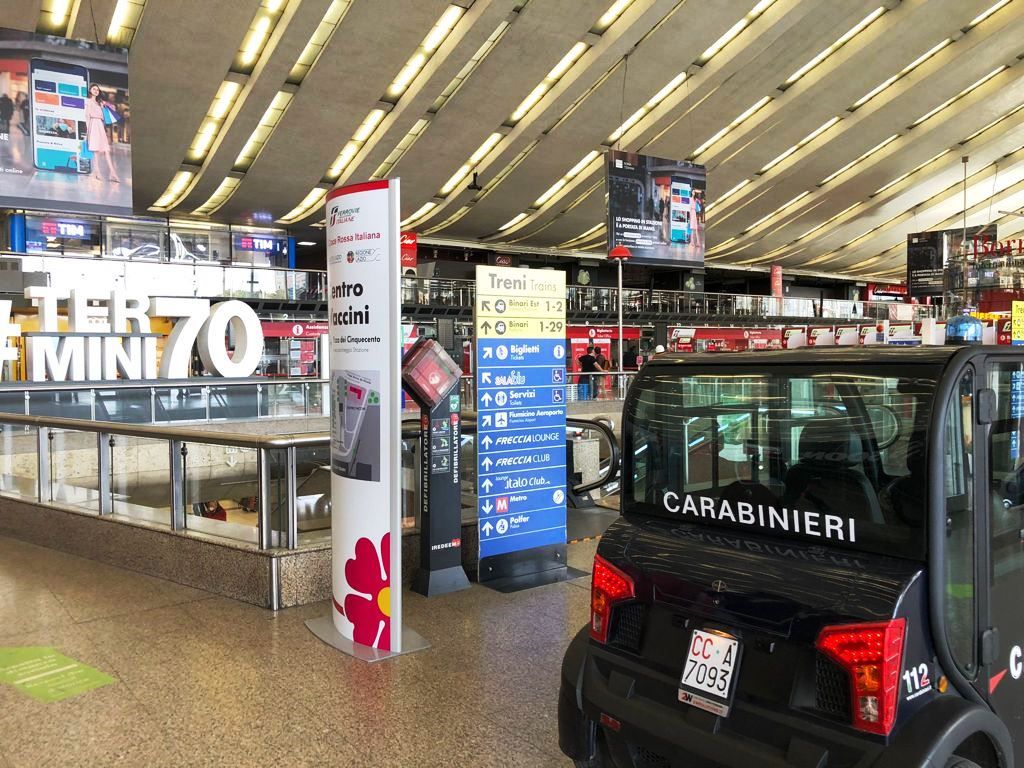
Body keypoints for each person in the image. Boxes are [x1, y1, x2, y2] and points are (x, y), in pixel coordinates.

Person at [85, 84, 120, 182]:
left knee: (106, 150)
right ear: (90, 91)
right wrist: (88, 131)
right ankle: (97, 172)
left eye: (97, 89)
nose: (96, 91)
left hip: (100, 125)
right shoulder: (88, 101)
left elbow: (112, 108)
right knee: (96, 151)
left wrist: (106, 104)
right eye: (94, 89)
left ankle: (112, 173)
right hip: (93, 125)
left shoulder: (100, 102)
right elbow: (87, 116)